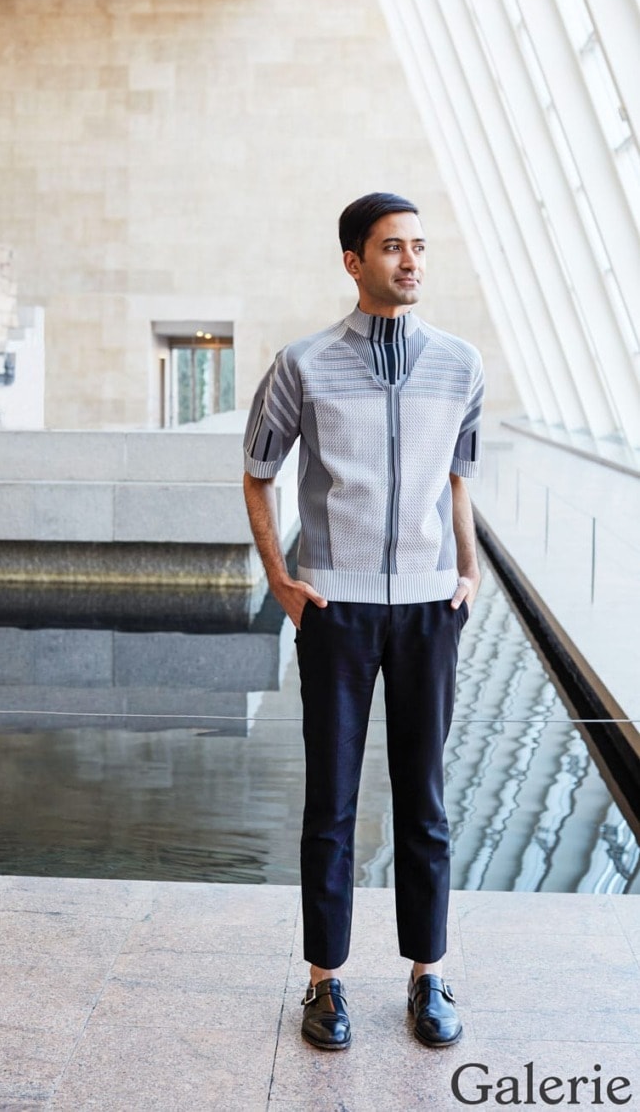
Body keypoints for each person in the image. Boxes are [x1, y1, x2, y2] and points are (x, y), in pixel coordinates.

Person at [242, 191, 483, 1051]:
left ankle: (427, 974)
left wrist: (468, 565)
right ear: (354, 261)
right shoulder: (302, 364)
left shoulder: (460, 364)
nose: (411, 261)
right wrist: (281, 577)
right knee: (331, 804)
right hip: (337, 610)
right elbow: (258, 471)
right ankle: (325, 983)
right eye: (392, 248)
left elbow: (458, 475)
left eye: (419, 247)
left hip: (427, 610)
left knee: (425, 803)